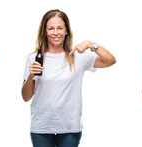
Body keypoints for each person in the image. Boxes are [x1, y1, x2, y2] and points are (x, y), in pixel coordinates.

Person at [21, 9, 116, 147]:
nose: (55, 32)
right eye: (51, 28)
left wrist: (91, 44)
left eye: (60, 28)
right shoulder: (34, 58)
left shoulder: (78, 56)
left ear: (66, 31)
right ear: (45, 32)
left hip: (69, 127)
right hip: (41, 127)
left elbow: (110, 60)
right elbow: (26, 97)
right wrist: (31, 76)